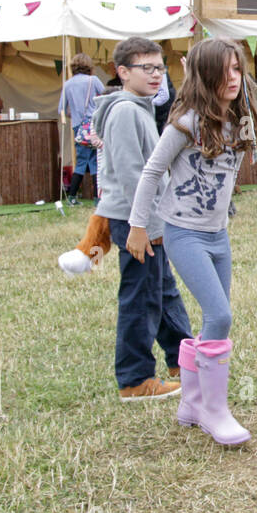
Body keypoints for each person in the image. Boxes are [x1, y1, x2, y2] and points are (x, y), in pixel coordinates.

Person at [125, 38, 257, 445]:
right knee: (220, 317)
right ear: (204, 76)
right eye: (223, 71)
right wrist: (138, 225)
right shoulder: (185, 122)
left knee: (214, 323)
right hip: (183, 232)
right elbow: (152, 172)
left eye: (238, 69)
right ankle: (213, 409)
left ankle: (190, 402)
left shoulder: (239, 120)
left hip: (218, 235)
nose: (234, 78)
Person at [91, 38, 193, 402]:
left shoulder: (139, 107)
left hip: (149, 218)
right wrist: (145, 228)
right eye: (146, 68)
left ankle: (184, 362)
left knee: (162, 291)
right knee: (141, 297)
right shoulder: (126, 112)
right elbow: (133, 173)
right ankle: (135, 380)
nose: (156, 75)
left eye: (159, 67)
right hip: (137, 220)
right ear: (122, 72)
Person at [58, 53, 103, 205]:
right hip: (94, 125)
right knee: (97, 161)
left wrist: (75, 116)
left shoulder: (68, 84)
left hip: (78, 127)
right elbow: (105, 98)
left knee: (81, 161)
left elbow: (62, 109)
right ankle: (98, 198)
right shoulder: (93, 80)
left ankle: (72, 197)